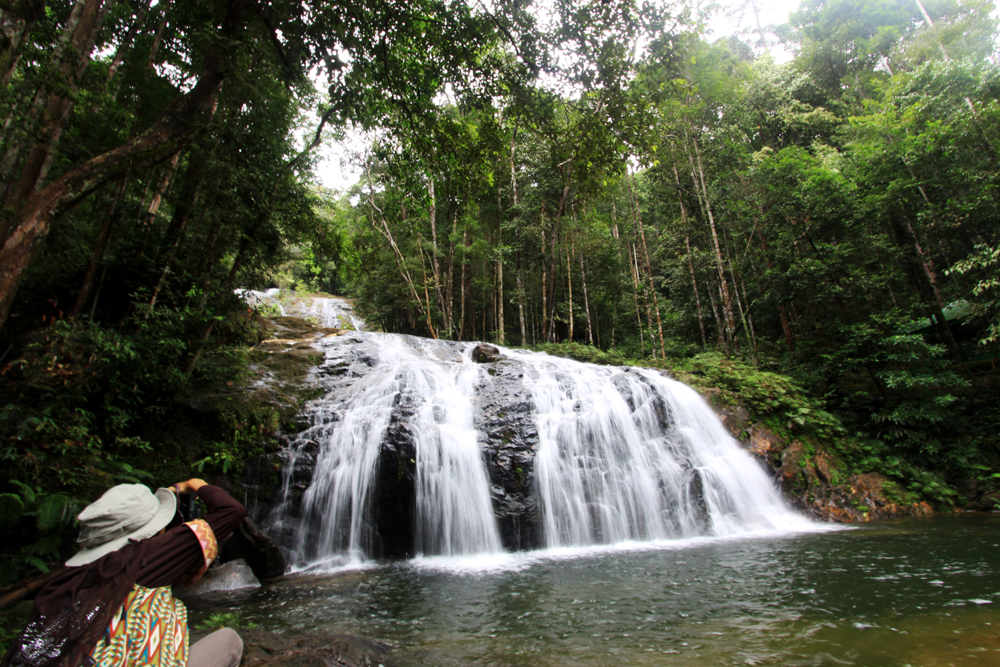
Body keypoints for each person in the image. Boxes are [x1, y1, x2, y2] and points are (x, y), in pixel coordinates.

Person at [2, 478, 248, 667]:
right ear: (149, 531)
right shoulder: (143, 559)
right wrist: (194, 484)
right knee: (229, 640)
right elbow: (231, 510)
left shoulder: (75, 577)